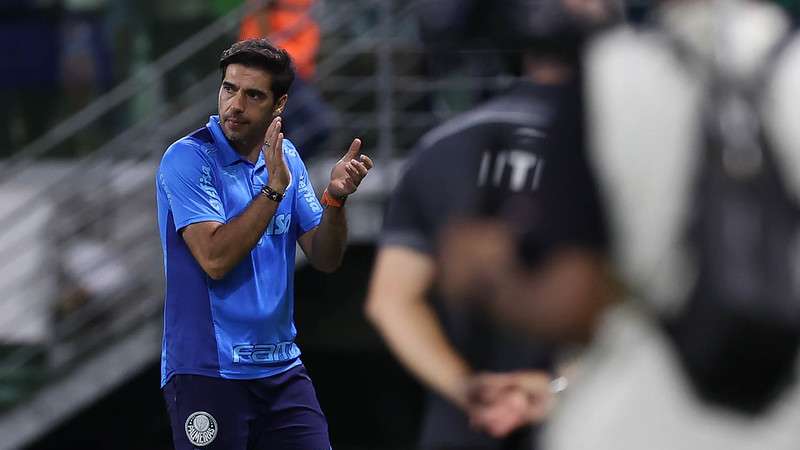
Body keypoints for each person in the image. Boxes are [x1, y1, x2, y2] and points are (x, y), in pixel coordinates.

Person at [364, 1, 617, 447]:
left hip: (462, 428)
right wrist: (557, 387)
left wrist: (469, 388)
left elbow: (390, 301)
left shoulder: (440, 147)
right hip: (585, 425)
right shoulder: (622, 144)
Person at [155, 38, 373, 450]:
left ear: (279, 104)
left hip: (281, 369)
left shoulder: (286, 156)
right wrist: (273, 192)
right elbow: (215, 259)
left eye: (252, 94)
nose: (235, 104)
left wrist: (335, 200)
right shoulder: (187, 159)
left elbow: (325, 257)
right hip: (208, 372)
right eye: (228, 89)